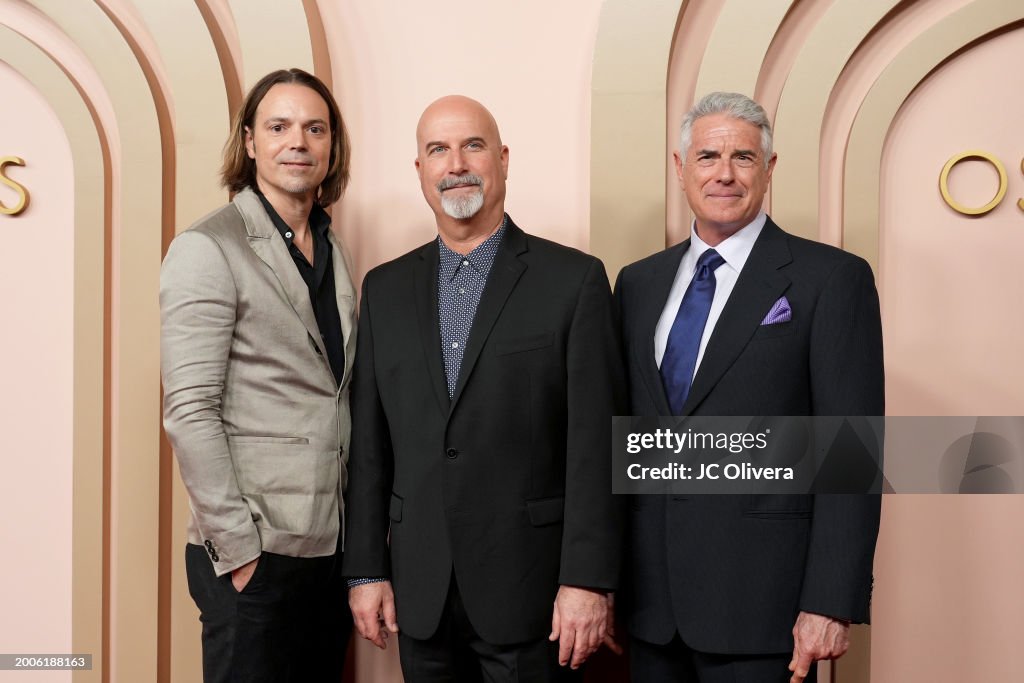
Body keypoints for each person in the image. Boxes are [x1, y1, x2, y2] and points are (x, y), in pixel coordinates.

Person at [342, 95, 626, 681]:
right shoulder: (384, 290)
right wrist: (366, 570)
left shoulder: (573, 281)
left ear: (502, 158)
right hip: (420, 592)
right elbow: (370, 445)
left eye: (472, 145)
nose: (456, 164)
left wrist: (587, 580)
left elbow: (597, 445)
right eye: (437, 150)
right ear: (419, 169)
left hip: (532, 593)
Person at [615, 92, 883, 683]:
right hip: (651, 607)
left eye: (743, 157)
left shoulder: (831, 279)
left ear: (768, 168)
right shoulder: (637, 284)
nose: (725, 174)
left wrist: (831, 601)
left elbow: (852, 452)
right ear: (681, 167)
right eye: (708, 156)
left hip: (767, 609)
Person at [160, 68, 355, 682]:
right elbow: (189, 411)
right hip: (255, 555)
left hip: (329, 551)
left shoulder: (332, 248)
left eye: (314, 129)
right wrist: (239, 551)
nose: (298, 141)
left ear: (331, 146)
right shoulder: (207, 247)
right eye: (279, 127)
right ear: (249, 141)